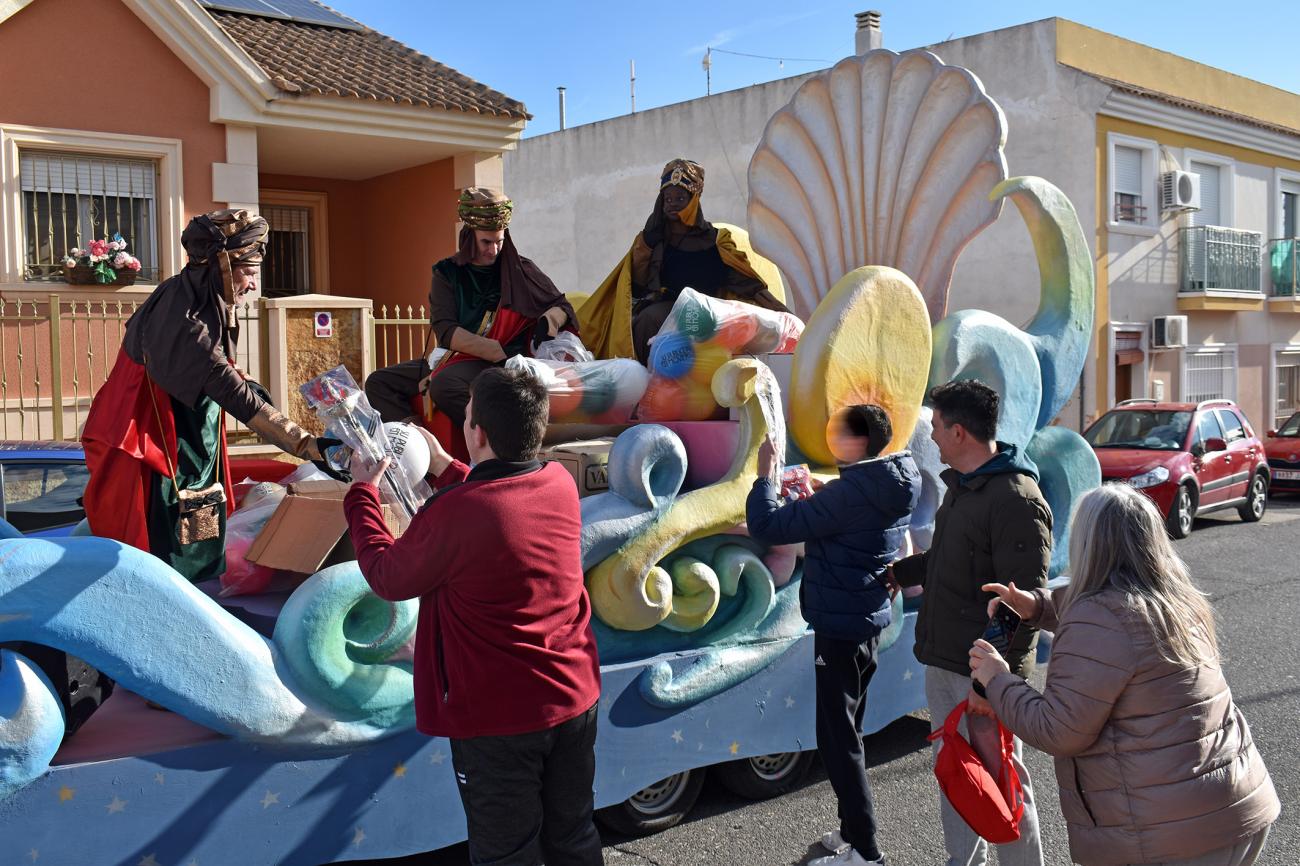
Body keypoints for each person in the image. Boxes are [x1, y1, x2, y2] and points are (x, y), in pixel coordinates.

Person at [343, 366, 604, 866]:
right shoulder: (557, 483)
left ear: (476, 431)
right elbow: (503, 506)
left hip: (500, 719)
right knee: (573, 838)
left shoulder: (455, 512)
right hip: (572, 698)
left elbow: (387, 575)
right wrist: (445, 466)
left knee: (507, 853)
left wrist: (361, 496)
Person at [971, 483, 1280, 866]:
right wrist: (1036, 606)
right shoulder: (1176, 599)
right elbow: (1109, 624)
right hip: (1234, 809)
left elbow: (1058, 730)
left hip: (1169, 835)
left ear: (1088, 545)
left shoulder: (1099, 619)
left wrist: (997, 678)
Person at [82, 209, 333, 583]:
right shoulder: (188, 318)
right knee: (173, 562)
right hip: (159, 453)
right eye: (248, 272)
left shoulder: (191, 295)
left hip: (188, 449)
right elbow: (225, 385)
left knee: (201, 539)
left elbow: (220, 372)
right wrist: (307, 445)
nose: (252, 285)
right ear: (221, 263)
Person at [746, 405, 921, 866]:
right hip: (865, 621)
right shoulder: (894, 480)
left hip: (840, 629)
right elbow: (851, 513)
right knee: (851, 732)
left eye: (836, 430)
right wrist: (824, 493)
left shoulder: (847, 496)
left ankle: (866, 851)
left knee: (837, 739)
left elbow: (768, 526)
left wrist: (765, 476)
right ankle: (852, 831)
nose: (828, 434)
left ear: (856, 442)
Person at [889, 379, 1050, 866]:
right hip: (945, 660)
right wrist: (901, 573)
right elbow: (950, 559)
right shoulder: (963, 486)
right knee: (959, 776)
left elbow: (1022, 604)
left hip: (982, 676)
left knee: (1002, 782)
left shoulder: (1016, 499)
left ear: (959, 432)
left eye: (937, 426)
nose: (932, 435)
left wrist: (992, 683)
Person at [364, 188, 576, 427]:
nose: (494, 250)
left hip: (511, 364)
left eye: (500, 241)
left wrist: (549, 320)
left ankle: (501, 437)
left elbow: (562, 305)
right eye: (486, 242)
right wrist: (493, 349)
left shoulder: (520, 269)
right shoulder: (446, 273)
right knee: (378, 382)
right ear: (469, 236)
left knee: (445, 385)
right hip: (461, 357)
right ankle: (417, 442)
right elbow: (444, 329)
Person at [579, 158, 790, 363]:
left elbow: (748, 285)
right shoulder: (653, 239)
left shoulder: (717, 241)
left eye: (680, 199)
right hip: (670, 308)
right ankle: (644, 380)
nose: (672, 205)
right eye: (667, 199)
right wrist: (646, 247)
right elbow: (635, 284)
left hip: (711, 313)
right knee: (648, 319)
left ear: (694, 200)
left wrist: (783, 313)